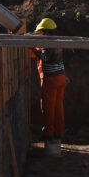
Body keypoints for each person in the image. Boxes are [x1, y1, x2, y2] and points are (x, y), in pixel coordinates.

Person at [29, 18, 67, 155]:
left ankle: (49, 134)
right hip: (61, 77)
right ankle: (58, 132)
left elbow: (44, 57)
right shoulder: (56, 40)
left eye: (41, 32)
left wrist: (32, 47)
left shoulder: (49, 42)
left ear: (45, 31)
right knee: (58, 106)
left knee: (48, 107)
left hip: (51, 79)